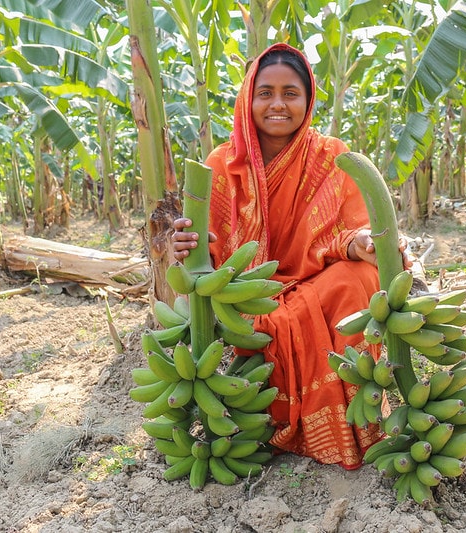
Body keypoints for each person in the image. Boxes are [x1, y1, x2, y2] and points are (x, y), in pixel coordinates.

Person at [171, 42, 411, 470]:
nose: (277, 104)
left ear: (308, 98)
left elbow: (350, 228)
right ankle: (271, 419)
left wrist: (363, 244)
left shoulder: (332, 156)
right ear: (248, 97)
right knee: (280, 310)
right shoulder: (221, 165)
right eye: (265, 93)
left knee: (356, 282)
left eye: (290, 93)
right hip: (248, 295)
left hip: (316, 281)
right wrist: (183, 248)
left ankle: (360, 422)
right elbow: (206, 250)